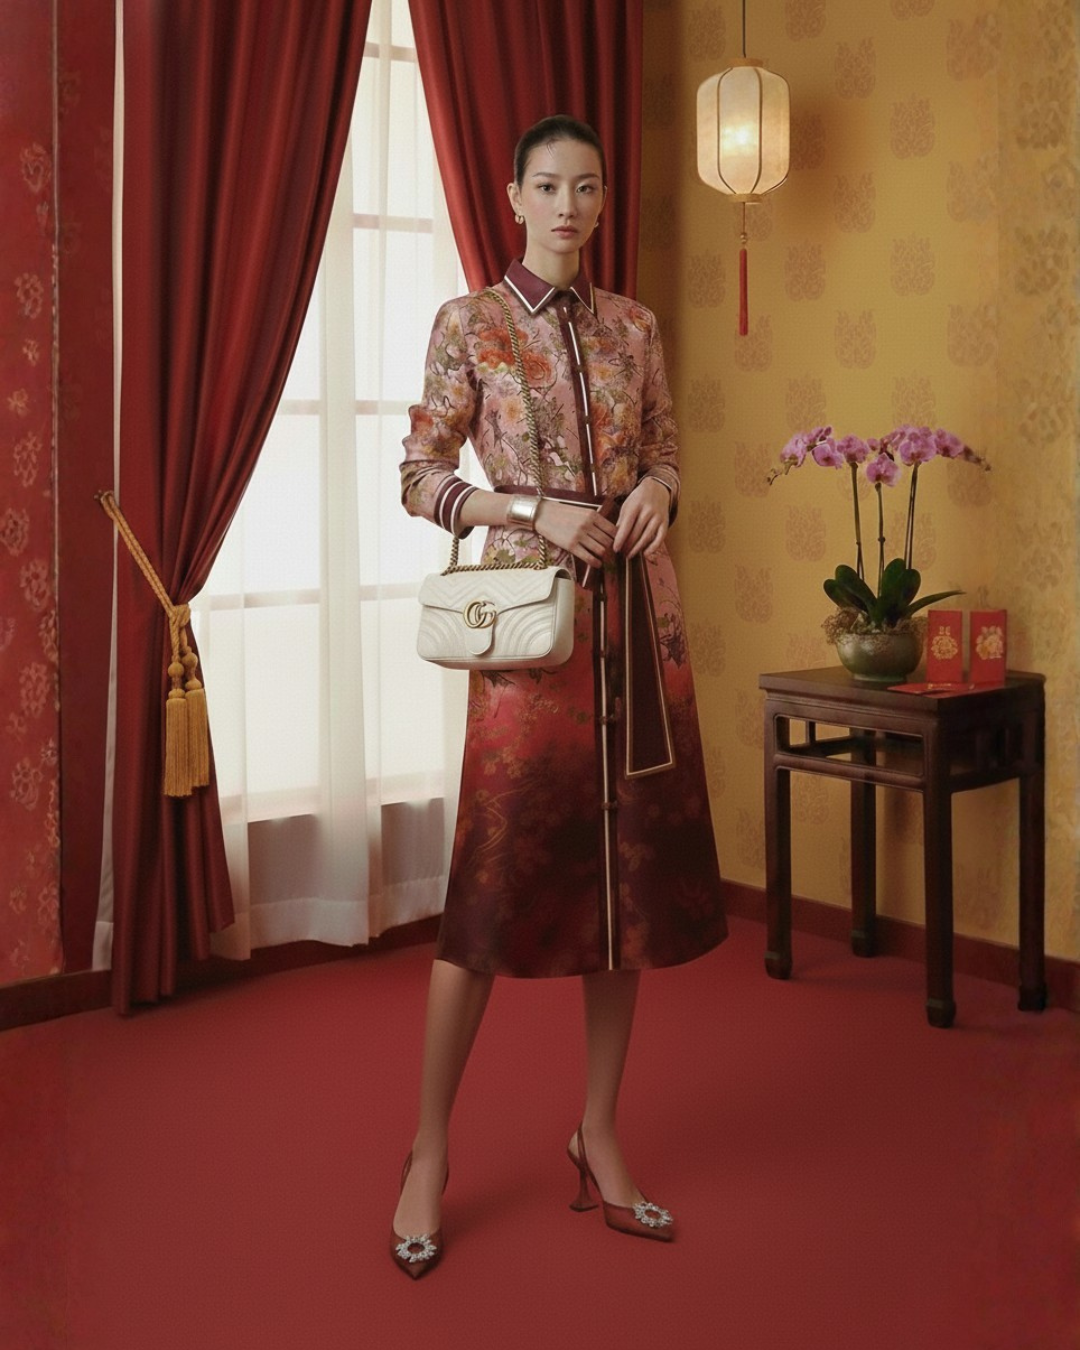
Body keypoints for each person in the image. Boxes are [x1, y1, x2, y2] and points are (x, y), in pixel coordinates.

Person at [393, 114, 725, 1278]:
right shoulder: (470, 325)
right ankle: (429, 1149)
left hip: (636, 623)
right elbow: (422, 477)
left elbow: (668, 451)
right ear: (514, 196)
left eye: (587, 187)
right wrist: (534, 509)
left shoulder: (635, 326)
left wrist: (659, 494)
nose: (570, 207)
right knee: (486, 887)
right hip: (530, 629)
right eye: (549, 186)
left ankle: (599, 1133)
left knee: (625, 889)